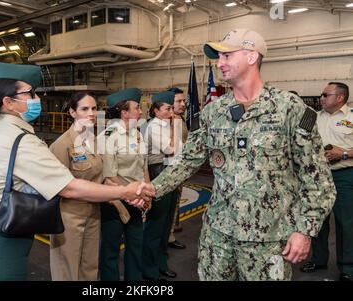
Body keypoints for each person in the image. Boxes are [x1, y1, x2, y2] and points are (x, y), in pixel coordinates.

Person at [147, 28, 336, 280]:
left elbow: (318, 179)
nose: (219, 63)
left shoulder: (288, 109)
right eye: (219, 57)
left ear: (251, 56)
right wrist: (151, 190)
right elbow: (187, 160)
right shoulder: (212, 113)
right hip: (218, 236)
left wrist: (304, 231)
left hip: (268, 240)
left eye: (226, 56)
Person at [0, 62, 152, 281]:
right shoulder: (22, 140)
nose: (37, 98)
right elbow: (68, 188)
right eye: (30, 93)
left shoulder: (0, 132)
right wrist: (124, 192)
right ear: (8, 102)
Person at [300, 82, 353, 281]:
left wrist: (344, 153)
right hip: (317, 176)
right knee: (317, 221)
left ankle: (348, 267)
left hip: (344, 176)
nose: (321, 98)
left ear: (340, 97)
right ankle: (318, 259)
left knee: (346, 224)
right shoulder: (312, 117)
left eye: (325, 95)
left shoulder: (352, 117)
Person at [49, 92, 103, 281]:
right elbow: (56, 187)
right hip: (69, 216)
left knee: (90, 267)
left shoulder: (94, 140)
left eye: (94, 108)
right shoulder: (62, 145)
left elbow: (100, 176)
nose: (91, 113)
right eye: (85, 109)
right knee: (67, 269)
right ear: (72, 112)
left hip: (93, 212)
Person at [98, 88, 150, 281]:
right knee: (110, 250)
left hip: (137, 200)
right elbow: (109, 175)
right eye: (137, 108)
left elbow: (144, 166)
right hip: (116, 202)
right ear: (124, 112)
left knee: (136, 247)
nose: (141, 112)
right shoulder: (108, 136)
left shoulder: (137, 134)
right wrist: (134, 196)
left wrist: (147, 193)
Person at [141, 91, 180, 280]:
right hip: (159, 173)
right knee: (156, 225)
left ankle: (161, 263)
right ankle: (148, 267)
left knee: (166, 225)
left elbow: (180, 150)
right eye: (168, 108)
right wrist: (175, 128)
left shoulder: (166, 125)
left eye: (172, 108)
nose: (171, 112)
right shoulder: (154, 127)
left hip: (171, 173)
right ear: (156, 111)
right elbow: (170, 149)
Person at [167, 87, 187, 249]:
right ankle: (169, 237)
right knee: (169, 204)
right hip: (170, 168)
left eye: (183, 100)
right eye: (178, 101)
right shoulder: (171, 121)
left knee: (175, 201)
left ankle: (171, 230)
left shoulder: (180, 118)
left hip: (180, 166)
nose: (183, 104)